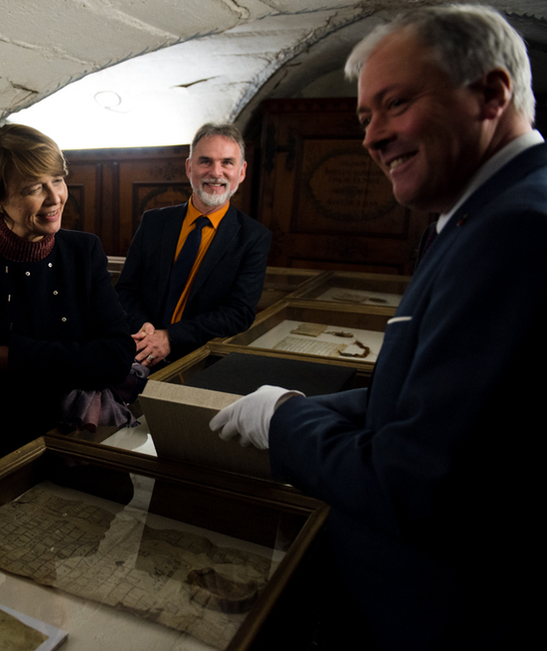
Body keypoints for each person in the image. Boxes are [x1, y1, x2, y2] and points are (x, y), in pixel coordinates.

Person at [210, 5, 543, 649]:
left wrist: (284, 422)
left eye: (394, 104)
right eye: (365, 117)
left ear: (492, 93)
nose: (372, 136)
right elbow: (431, 406)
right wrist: (307, 405)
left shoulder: (516, 230)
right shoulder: (478, 216)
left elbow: (413, 487)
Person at [0, 124, 134, 481]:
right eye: (33, 188)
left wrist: (13, 357)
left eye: (57, 180)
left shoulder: (84, 251)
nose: (54, 197)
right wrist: (75, 361)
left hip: (77, 449)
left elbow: (117, 357)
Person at [115, 123, 270, 367]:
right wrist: (146, 331)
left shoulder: (253, 237)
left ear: (241, 172)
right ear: (189, 167)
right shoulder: (154, 222)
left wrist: (170, 338)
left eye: (227, 163)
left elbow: (239, 313)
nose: (216, 172)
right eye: (205, 161)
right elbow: (126, 290)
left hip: (199, 360)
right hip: (135, 349)